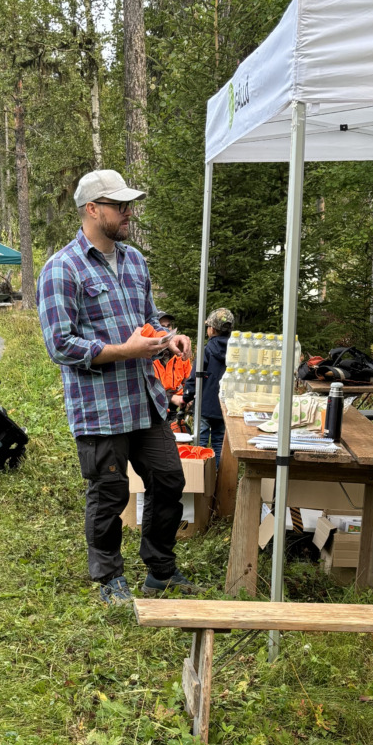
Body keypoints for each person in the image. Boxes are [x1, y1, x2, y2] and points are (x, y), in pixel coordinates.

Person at [38, 168, 197, 605]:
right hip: (100, 407)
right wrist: (126, 350)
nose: (128, 213)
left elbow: (147, 320)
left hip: (145, 401)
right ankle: (109, 579)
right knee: (109, 493)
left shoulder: (134, 261)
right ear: (92, 209)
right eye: (119, 205)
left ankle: (160, 570)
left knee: (169, 480)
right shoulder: (61, 269)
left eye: (128, 205)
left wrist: (168, 340)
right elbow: (60, 345)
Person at [182, 307, 231, 458]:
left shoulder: (207, 349)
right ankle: (216, 476)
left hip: (204, 405)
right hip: (224, 406)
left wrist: (186, 397)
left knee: (200, 442)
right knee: (218, 443)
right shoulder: (235, 350)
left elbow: (195, 376)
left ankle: (201, 477)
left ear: (213, 330)